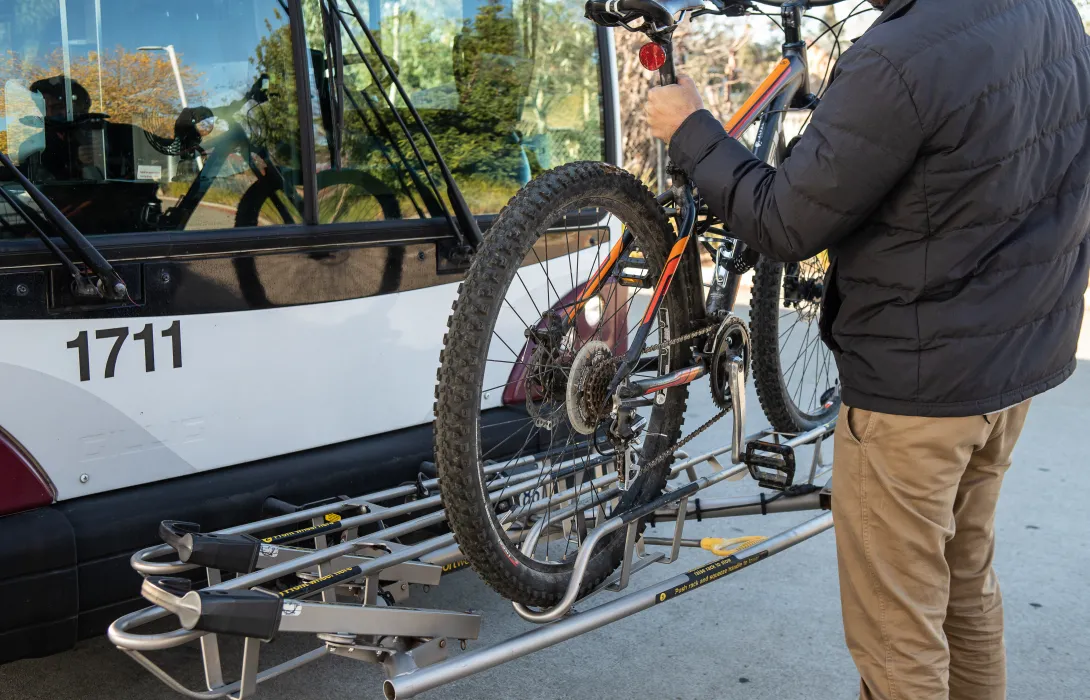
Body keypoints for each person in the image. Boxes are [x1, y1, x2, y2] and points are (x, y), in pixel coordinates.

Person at [644, 1, 1090, 699]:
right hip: (1013, 367)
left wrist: (693, 132)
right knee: (963, 583)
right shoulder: (1046, 8)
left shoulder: (898, 57)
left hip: (915, 396)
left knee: (897, 637)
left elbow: (787, 222)